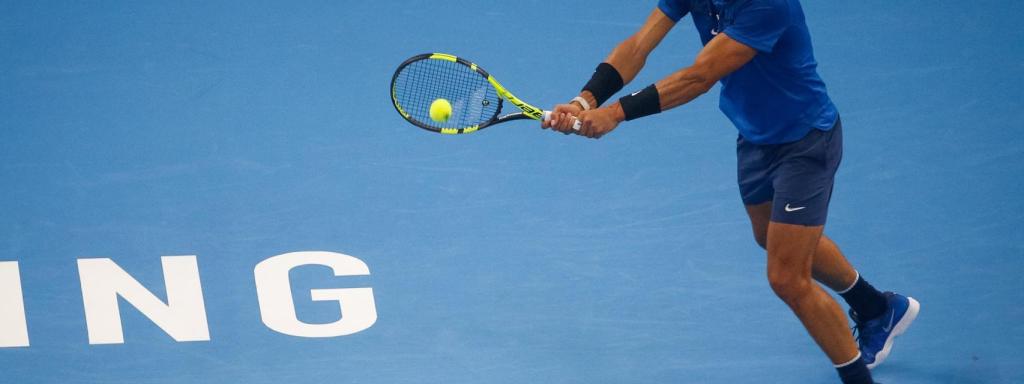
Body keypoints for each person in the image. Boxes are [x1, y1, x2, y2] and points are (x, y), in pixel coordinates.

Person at [541, 1, 919, 383]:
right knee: (769, 237)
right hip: (755, 136)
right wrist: (585, 100)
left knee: (787, 278)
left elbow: (699, 77)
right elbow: (639, 45)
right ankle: (876, 308)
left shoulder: (769, 4)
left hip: (805, 143)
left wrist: (615, 114)